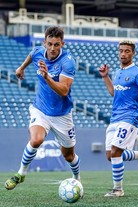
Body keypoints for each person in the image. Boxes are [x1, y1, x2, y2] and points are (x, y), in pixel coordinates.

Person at [4, 26, 81, 190]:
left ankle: (77, 178)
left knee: (68, 155)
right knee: (36, 139)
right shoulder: (38, 51)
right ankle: (21, 174)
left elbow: (64, 90)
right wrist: (21, 68)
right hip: (41, 109)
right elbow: (32, 55)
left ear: (63, 44)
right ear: (44, 42)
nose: (52, 48)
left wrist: (47, 77)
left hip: (62, 114)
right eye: (50, 44)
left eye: (57, 45)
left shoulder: (68, 62)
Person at [99, 40, 138, 197]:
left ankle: (118, 190)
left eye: (127, 51)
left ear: (133, 53)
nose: (123, 54)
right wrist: (105, 77)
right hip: (115, 117)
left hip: (130, 117)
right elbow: (113, 93)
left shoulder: (137, 74)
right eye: (121, 51)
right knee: (111, 155)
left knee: (116, 151)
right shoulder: (117, 73)